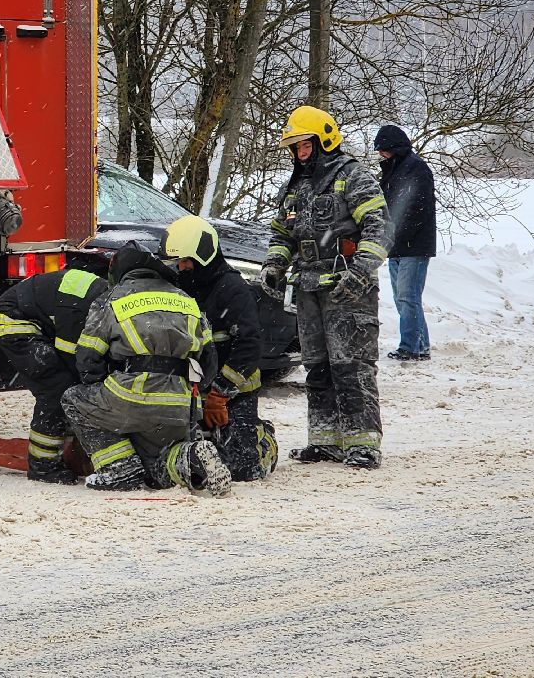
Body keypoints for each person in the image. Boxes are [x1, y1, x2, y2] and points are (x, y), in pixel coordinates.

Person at [261, 106, 390, 470]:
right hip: (307, 287)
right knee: (317, 367)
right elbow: (282, 233)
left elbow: (380, 227)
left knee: (352, 366)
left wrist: (361, 272)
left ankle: (363, 443)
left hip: (348, 288)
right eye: (296, 147)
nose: (301, 153)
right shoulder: (295, 186)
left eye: (306, 145)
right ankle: (325, 440)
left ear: (324, 141)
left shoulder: (353, 176)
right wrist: (274, 264)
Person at [61, 244, 229, 495]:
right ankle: (191, 455)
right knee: (157, 467)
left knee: (74, 400)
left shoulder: (111, 299)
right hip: (180, 403)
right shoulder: (186, 301)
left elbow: (87, 360)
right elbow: (209, 363)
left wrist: (104, 388)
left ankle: (119, 468)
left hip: (130, 394)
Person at [164, 215, 279, 482]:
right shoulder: (180, 287)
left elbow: (249, 345)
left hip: (234, 391)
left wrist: (220, 393)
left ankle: (264, 440)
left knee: (242, 468)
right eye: (178, 261)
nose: (181, 267)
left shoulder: (233, 290)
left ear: (203, 254)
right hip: (193, 392)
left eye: (186, 260)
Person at [0, 268, 111, 484]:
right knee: (58, 387)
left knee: (72, 388)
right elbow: (73, 360)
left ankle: (67, 450)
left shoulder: (103, 303)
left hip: (42, 318)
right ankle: (43, 466)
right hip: (12, 318)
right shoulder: (81, 311)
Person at [374, 124, 436, 361]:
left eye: (384, 149)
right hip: (396, 245)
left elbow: (418, 209)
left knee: (408, 298)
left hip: (414, 245)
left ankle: (411, 347)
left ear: (395, 147)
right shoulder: (393, 170)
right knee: (404, 299)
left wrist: (397, 233)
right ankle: (419, 346)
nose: (381, 154)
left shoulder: (416, 168)